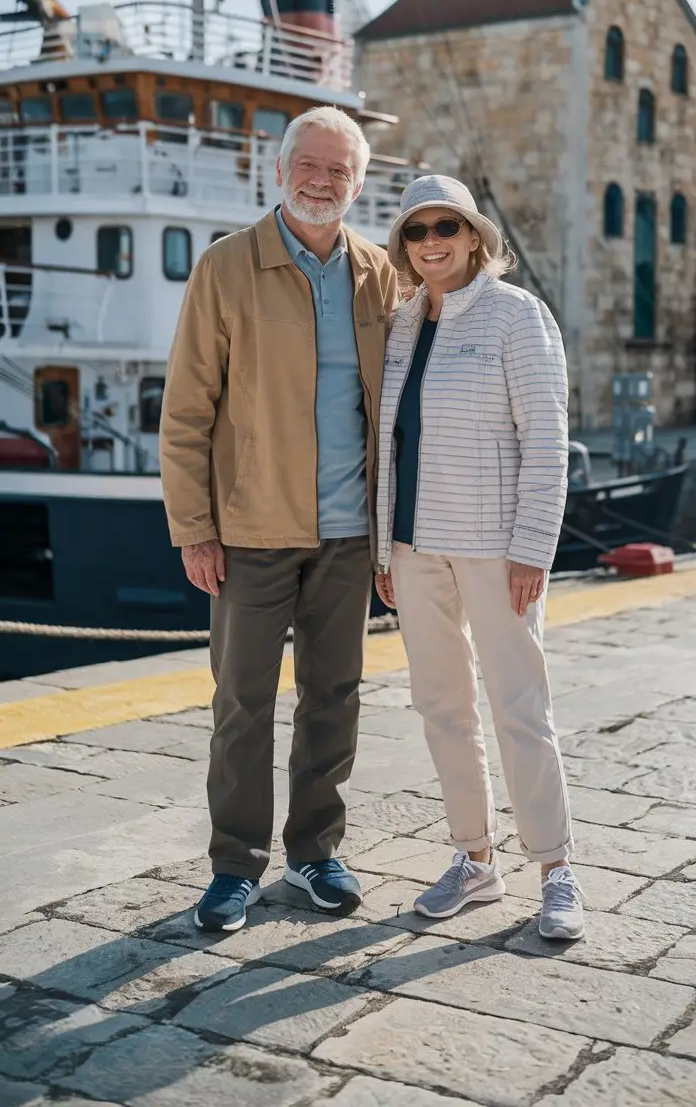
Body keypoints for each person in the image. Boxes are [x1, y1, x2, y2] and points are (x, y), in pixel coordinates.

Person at [160, 105, 397, 932]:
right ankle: (233, 867)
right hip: (251, 532)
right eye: (312, 164)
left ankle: (315, 852)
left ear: (359, 183)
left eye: (340, 170)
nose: (323, 181)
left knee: (335, 695)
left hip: (348, 537)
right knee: (242, 704)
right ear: (281, 168)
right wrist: (194, 526)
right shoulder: (227, 268)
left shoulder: (380, 274)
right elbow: (187, 409)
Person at [375, 174, 584, 941]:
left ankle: (557, 871)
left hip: (499, 551)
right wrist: (383, 551)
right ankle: (475, 858)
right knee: (441, 708)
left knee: (519, 707)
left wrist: (532, 547)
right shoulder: (400, 326)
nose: (431, 242)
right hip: (414, 546)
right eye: (417, 231)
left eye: (446, 228)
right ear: (404, 245)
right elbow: (390, 446)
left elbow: (546, 440)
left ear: (473, 237)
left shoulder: (517, 316)